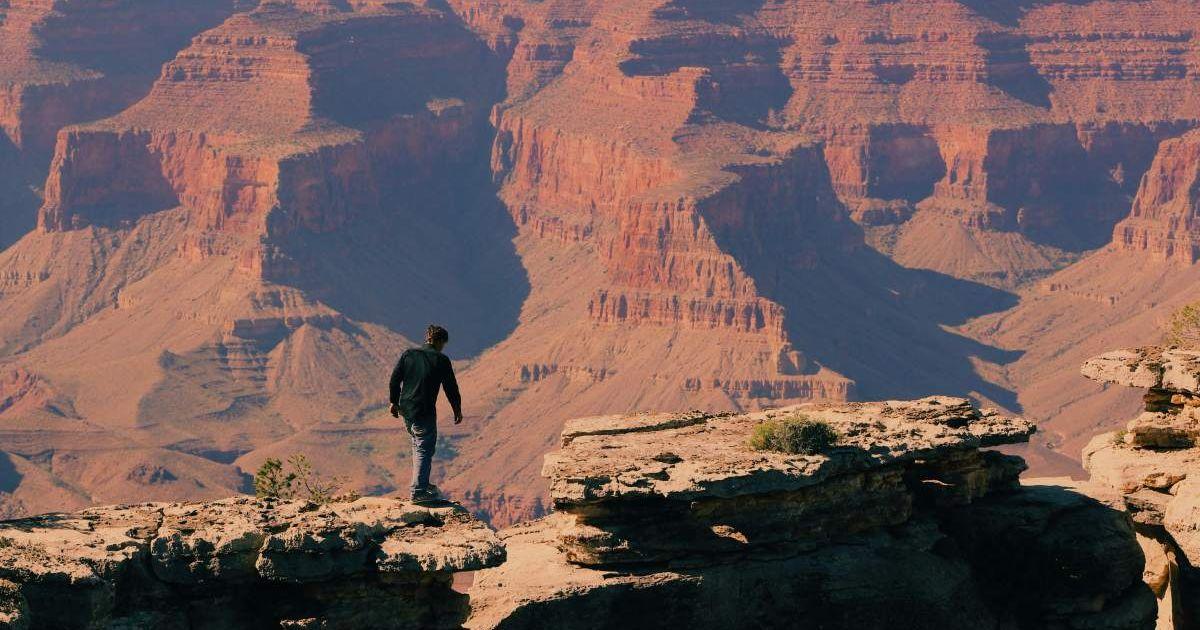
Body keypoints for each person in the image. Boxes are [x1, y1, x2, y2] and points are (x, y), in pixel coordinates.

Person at [389, 324, 462, 503]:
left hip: (406, 409)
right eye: (442, 344)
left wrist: (393, 401)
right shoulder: (441, 360)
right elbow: (450, 388)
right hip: (424, 410)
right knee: (424, 448)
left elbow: (394, 380)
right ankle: (418, 491)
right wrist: (457, 409)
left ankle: (421, 483)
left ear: (427, 338)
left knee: (418, 445)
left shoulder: (409, 354)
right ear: (440, 342)